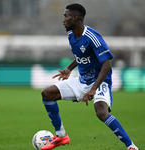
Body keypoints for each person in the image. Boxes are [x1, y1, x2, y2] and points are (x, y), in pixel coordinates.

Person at [41, 3, 140, 150]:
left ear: (75, 18)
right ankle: (61, 135)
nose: (63, 20)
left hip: (100, 81)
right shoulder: (71, 35)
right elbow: (80, 56)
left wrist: (93, 89)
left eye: (66, 16)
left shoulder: (92, 37)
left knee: (101, 112)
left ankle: (131, 146)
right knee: (47, 93)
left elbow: (107, 64)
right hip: (82, 81)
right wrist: (69, 69)